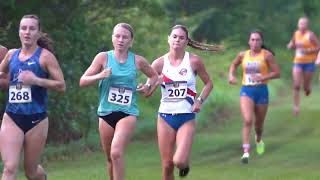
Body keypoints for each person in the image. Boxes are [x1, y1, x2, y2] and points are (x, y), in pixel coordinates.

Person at [79, 23, 158, 180]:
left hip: (127, 113)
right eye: (117, 36)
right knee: (110, 159)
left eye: (125, 37)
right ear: (112, 38)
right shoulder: (103, 58)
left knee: (116, 152)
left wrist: (147, 86)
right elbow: (83, 81)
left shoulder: (138, 61)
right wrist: (100, 76)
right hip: (106, 113)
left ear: (131, 41)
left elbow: (154, 76)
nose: (120, 40)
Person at [150, 25, 221, 180]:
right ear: (168, 39)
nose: (177, 40)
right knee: (167, 165)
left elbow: (209, 84)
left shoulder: (194, 61)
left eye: (181, 38)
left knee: (179, 161)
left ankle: (185, 165)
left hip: (186, 117)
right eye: (174, 36)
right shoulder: (158, 64)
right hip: (164, 117)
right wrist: (150, 85)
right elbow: (147, 92)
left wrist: (200, 101)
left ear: (186, 41)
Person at [0, 14, 66, 180]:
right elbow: (3, 76)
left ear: (38, 32)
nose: (27, 32)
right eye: (24, 28)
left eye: (31, 28)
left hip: (36, 120)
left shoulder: (45, 57)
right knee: (9, 168)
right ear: (19, 32)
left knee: (31, 171)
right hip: (12, 116)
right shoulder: (11, 55)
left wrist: (35, 80)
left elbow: (61, 85)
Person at [228, 30, 280, 164]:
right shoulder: (242, 55)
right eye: (252, 39)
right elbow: (233, 64)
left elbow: (277, 73)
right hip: (247, 90)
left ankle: (258, 139)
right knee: (247, 120)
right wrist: (231, 75)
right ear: (249, 41)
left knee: (259, 124)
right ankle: (246, 152)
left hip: (261, 91)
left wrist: (263, 77)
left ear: (261, 42)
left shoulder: (267, 55)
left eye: (257, 40)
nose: (255, 42)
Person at [287, 17, 319, 115]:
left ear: (307, 25)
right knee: (296, 85)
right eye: (300, 23)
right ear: (298, 25)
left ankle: (307, 88)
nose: (301, 25)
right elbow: (292, 43)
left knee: (305, 86)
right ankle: (296, 106)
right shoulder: (296, 34)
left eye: (304, 24)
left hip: (309, 63)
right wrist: (290, 45)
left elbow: (319, 46)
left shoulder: (311, 35)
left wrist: (310, 50)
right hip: (298, 62)